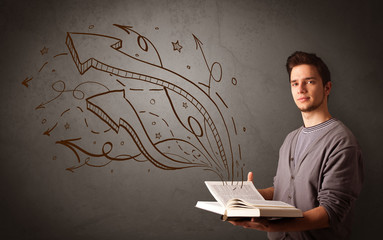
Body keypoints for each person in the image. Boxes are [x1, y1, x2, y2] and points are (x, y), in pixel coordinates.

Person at [230, 51, 364, 239]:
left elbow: (331, 212)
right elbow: (283, 190)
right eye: (294, 83)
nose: (300, 89)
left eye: (309, 81)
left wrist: (270, 225)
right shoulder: (290, 139)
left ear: (327, 88)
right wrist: (252, 196)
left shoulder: (342, 142)